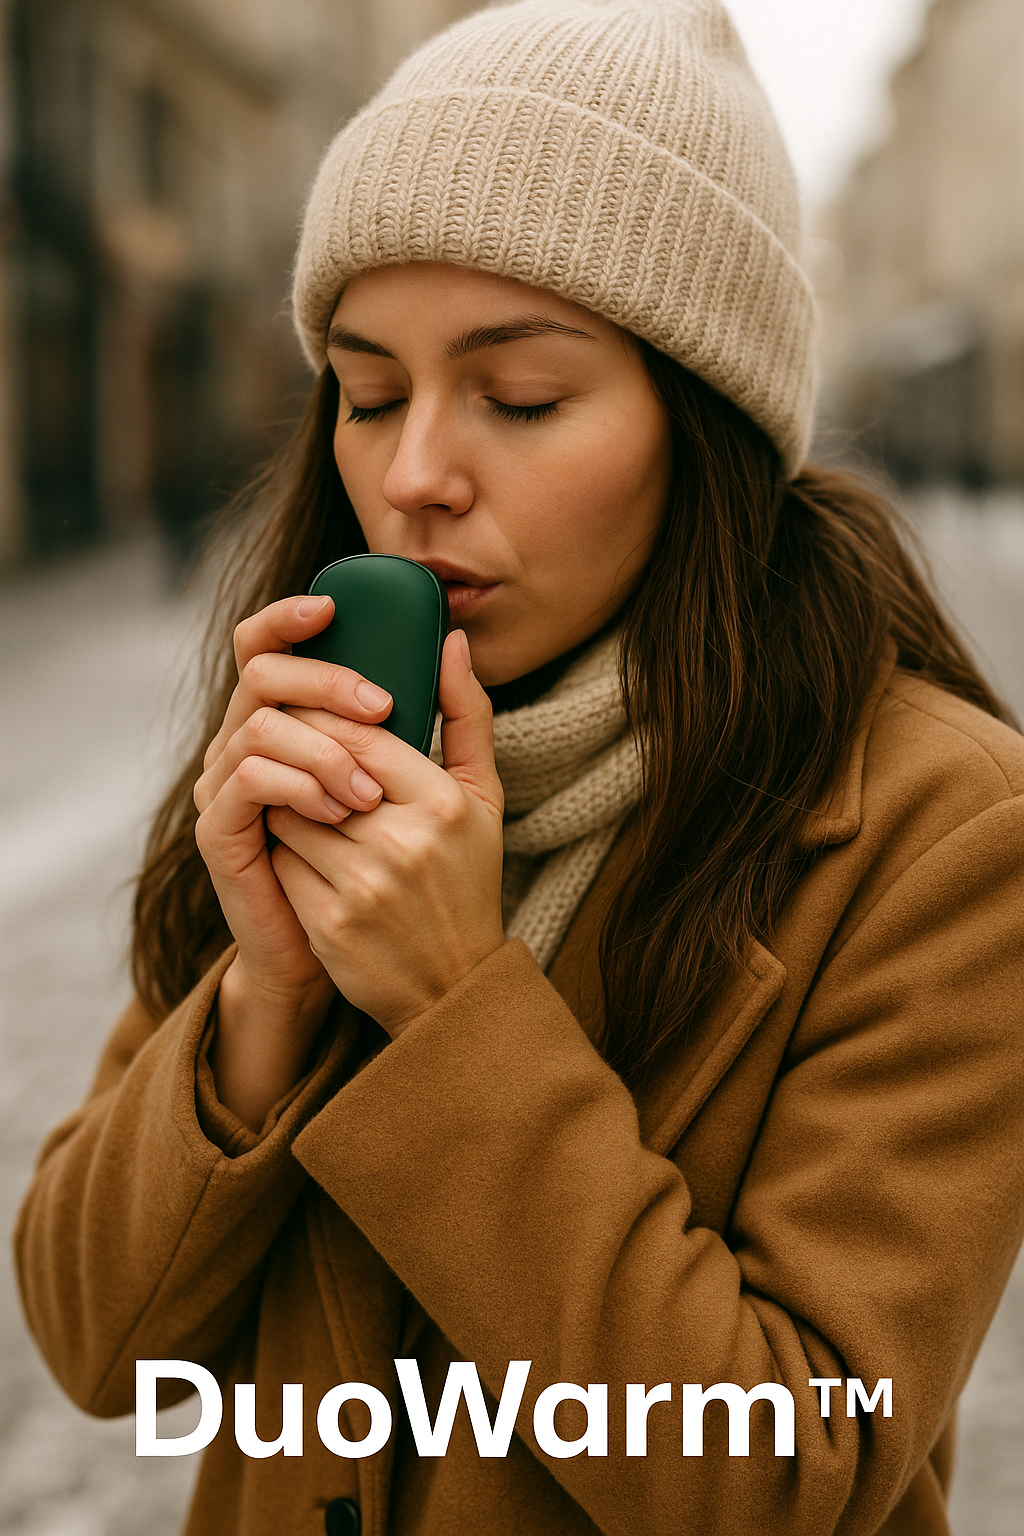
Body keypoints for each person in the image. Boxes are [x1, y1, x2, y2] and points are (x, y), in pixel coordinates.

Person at [14, 2, 1024, 1533]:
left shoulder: (941, 831)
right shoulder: (337, 736)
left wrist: (451, 1006)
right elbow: (99, 1343)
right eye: (365, 394)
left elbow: (781, 1480)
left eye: (522, 396)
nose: (413, 474)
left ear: (706, 422)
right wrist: (263, 1000)